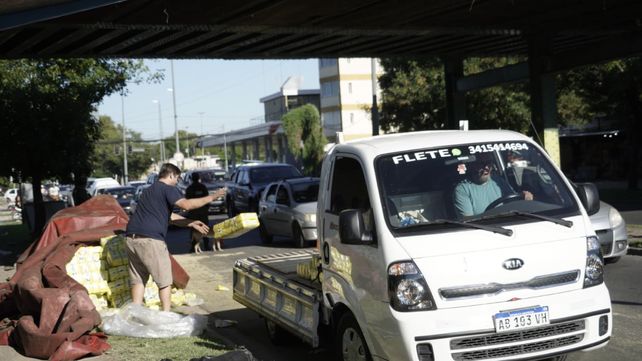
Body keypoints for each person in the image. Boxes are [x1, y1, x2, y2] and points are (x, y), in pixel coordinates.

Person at [125, 163, 226, 312]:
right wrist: (212, 197)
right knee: (165, 280)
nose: (177, 181)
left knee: (138, 280)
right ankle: (166, 314)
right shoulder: (168, 189)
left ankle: (135, 313)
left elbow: (169, 216)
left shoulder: (148, 191)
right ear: (171, 175)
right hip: (151, 240)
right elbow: (186, 205)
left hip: (131, 239)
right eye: (177, 178)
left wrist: (190, 223)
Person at [453, 154, 533, 218]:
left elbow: (513, 202)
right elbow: (468, 221)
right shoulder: (462, 189)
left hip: (509, 223)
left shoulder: (498, 181)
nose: (486, 168)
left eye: (489, 163)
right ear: (471, 165)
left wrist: (524, 197)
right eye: (482, 164)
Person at [185, 172, 219, 253]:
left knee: (194, 230)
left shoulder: (189, 188)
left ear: (192, 179)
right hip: (202, 212)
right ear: (198, 178)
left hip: (194, 213)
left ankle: (194, 246)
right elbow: (207, 199)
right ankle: (206, 245)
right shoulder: (202, 187)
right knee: (205, 228)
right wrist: (206, 209)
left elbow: (187, 201)